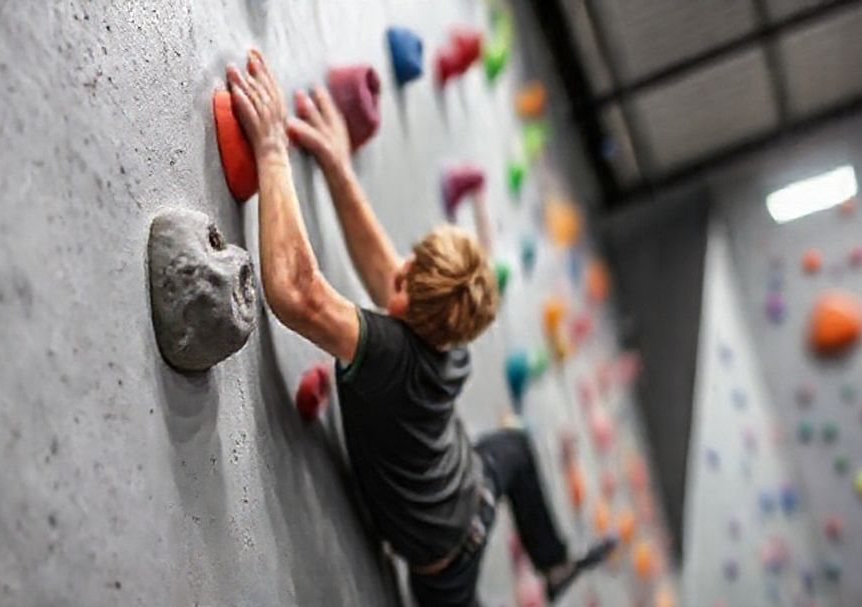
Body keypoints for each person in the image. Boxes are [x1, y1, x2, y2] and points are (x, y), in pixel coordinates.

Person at [224, 50, 616, 607]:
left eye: (405, 280)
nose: (396, 266)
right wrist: (337, 165)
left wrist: (270, 152)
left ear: (418, 316)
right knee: (518, 448)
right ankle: (553, 563)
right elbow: (385, 268)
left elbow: (299, 293)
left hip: (443, 558)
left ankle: (545, 569)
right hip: (473, 477)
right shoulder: (450, 338)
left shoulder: (388, 354)